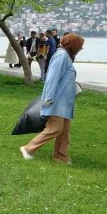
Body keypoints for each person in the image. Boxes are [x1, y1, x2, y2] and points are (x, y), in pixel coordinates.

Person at [20, 33, 85, 165]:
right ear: (73, 44)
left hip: (65, 103)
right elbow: (51, 78)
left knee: (64, 132)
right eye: (79, 46)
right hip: (56, 101)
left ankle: (61, 156)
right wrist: (48, 98)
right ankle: (28, 149)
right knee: (55, 128)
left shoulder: (66, 56)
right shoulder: (61, 56)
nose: (80, 49)